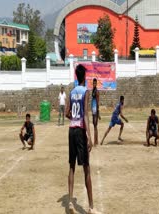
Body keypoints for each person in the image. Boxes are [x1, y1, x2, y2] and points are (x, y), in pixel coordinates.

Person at [65, 64, 98, 214]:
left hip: (71, 130)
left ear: (76, 76)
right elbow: (85, 114)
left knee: (71, 166)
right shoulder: (85, 91)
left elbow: (67, 113)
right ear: (84, 76)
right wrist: (89, 136)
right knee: (86, 169)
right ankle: (91, 207)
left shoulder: (71, 92)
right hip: (80, 130)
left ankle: (70, 203)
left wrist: (73, 117)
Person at [92, 78, 101, 146]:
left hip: (96, 110)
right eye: (93, 83)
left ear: (96, 83)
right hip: (93, 109)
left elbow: (98, 102)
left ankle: (96, 141)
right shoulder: (93, 90)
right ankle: (95, 140)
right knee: (94, 125)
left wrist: (98, 112)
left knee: (95, 125)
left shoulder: (97, 91)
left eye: (95, 83)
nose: (94, 84)